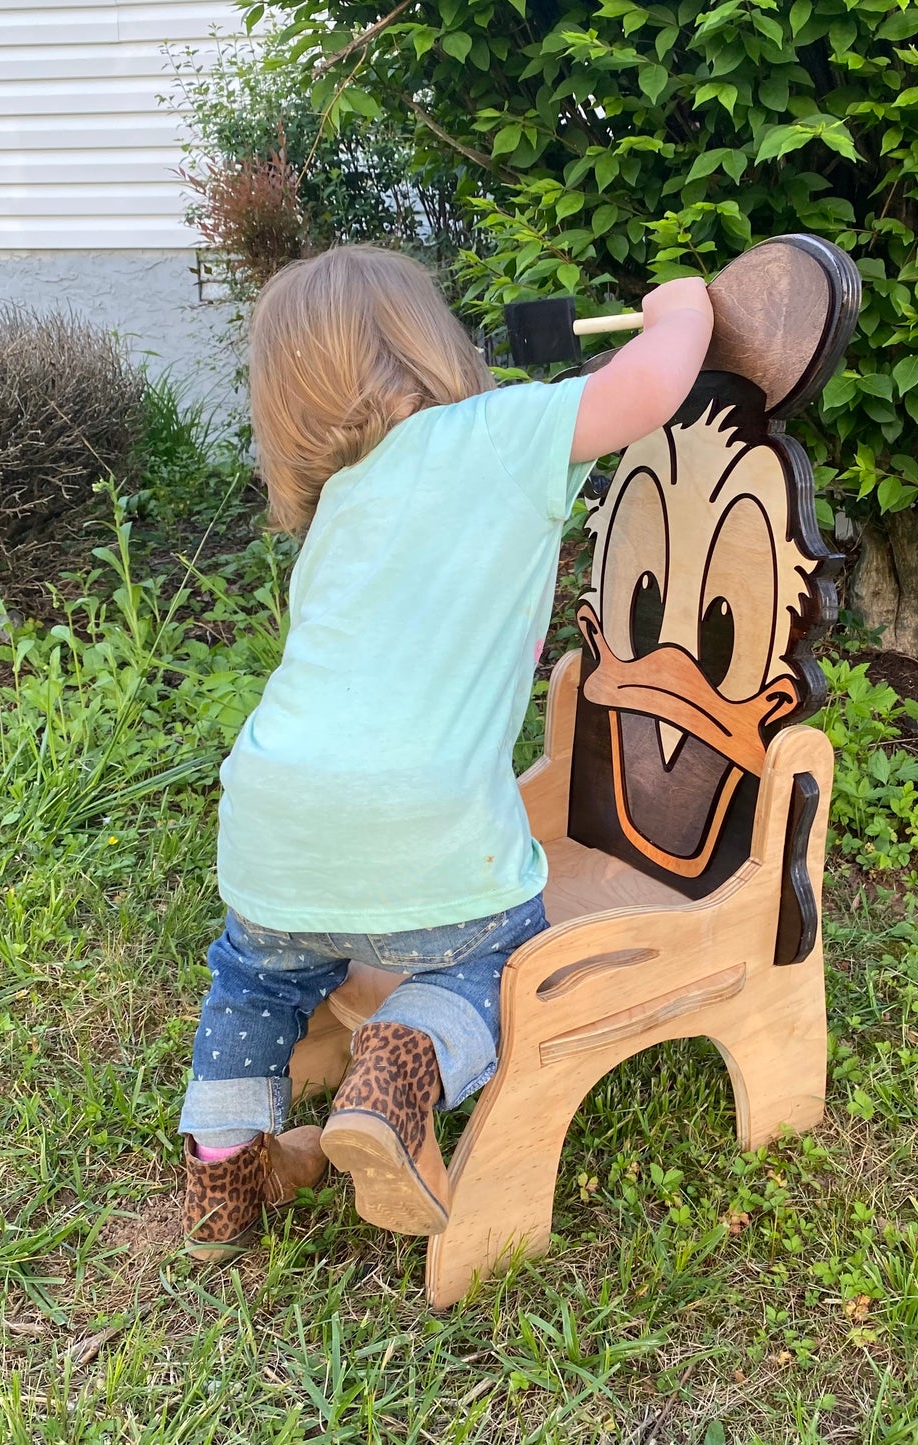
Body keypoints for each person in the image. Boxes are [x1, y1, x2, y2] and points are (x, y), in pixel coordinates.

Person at [179, 245, 714, 1259]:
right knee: (500, 959)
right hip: (427, 823)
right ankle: (402, 1067)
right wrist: (678, 313)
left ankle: (222, 1184)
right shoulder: (504, 431)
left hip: (273, 818)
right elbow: (645, 389)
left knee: (252, 982)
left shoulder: (339, 503)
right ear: (430, 342)